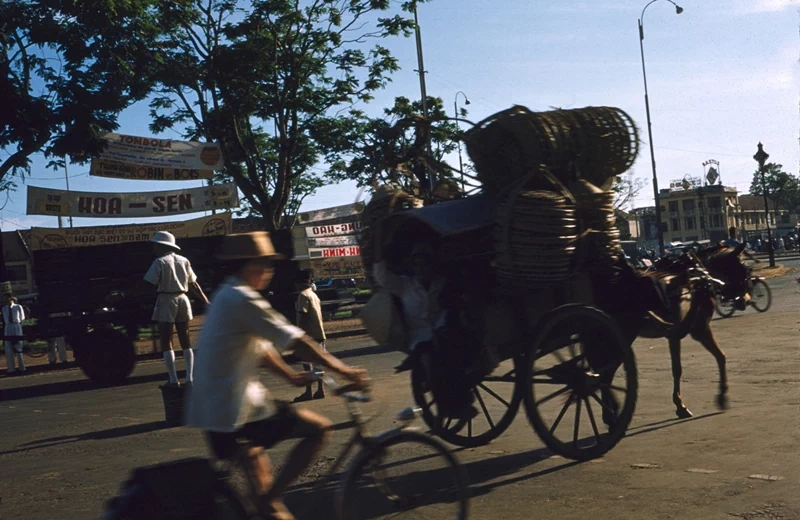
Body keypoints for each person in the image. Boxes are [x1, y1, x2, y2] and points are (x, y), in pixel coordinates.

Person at [184, 232, 368, 520]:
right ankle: (269, 500)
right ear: (249, 265)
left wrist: (292, 378)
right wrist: (344, 371)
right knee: (319, 429)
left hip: (217, 411)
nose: (269, 272)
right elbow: (296, 341)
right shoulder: (243, 298)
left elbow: (261, 349)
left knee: (264, 495)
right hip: (236, 410)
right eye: (266, 264)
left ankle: (267, 503)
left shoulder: (226, 295)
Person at [144, 231, 209, 387]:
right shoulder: (184, 260)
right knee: (185, 340)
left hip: (167, 299)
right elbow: (194, 284)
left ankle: (173, 379)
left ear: (161, 246)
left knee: (167, 341)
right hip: (183, 299)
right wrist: (206, 300)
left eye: (155, 245)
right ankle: (190, 377)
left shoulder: (159, 262)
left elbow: (148, 282)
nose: (154, 248)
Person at [293, 269, 326, 402]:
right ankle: (320, 389)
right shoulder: (313, 295)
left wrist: (299, 334)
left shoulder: (302, 295)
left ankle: (308, 391)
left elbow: (302, 315)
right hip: (319, 333)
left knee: (307, 364)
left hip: (309, 334)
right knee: (318, 363)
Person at [3, 295, 26, 374]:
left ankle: (22, 368)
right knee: (8, 348)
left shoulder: (18, 307)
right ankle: (11, 368)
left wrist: (19, 326)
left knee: (19, 347)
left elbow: (22, 318)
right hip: (8, 326)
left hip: (16, 325)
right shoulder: (4, 308)